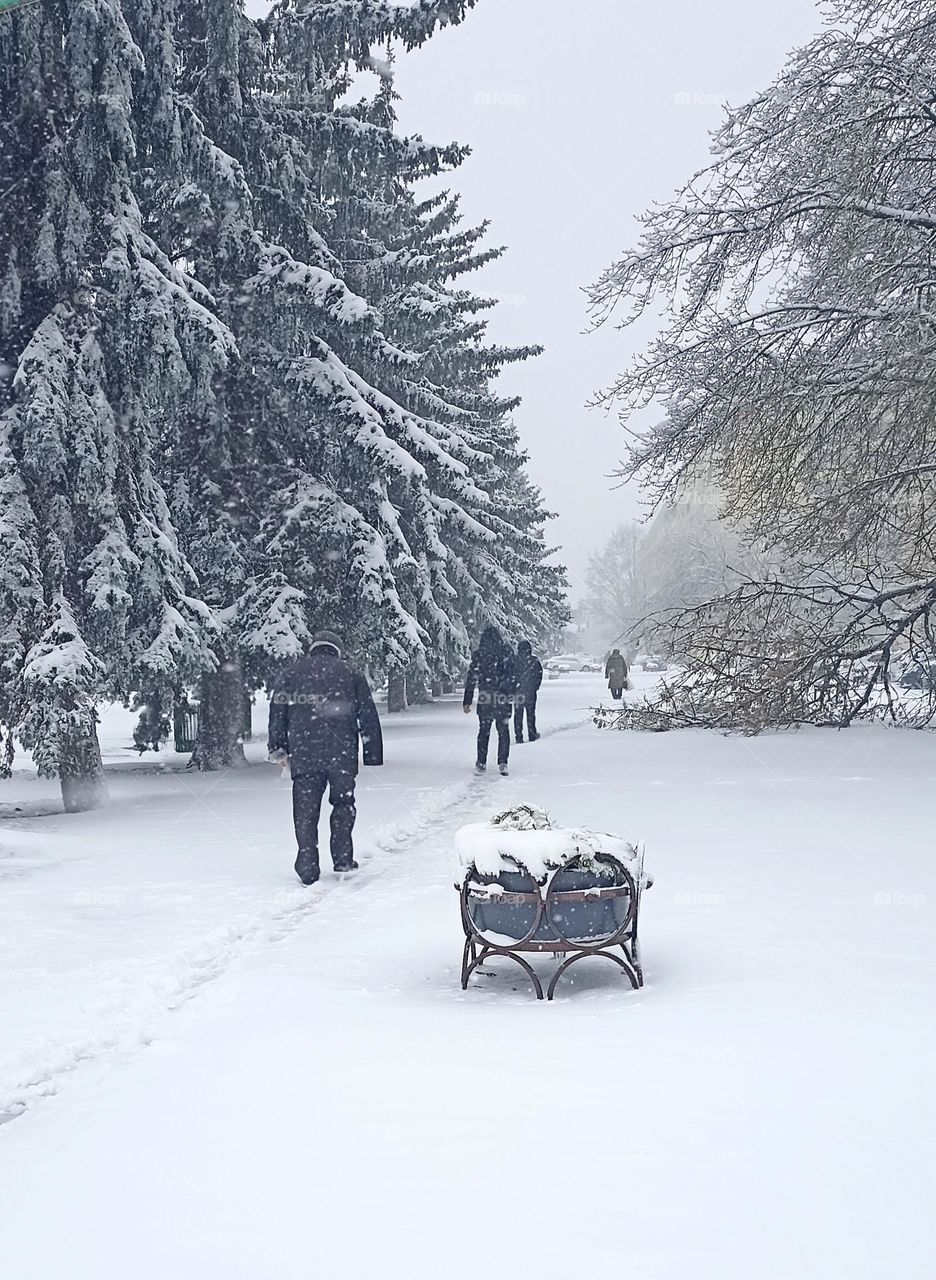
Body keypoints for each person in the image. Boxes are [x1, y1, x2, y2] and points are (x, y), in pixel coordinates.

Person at [268, 630, 383, 885]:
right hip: (342, 754)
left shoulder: (291, 673)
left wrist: (279, 749)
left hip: (305, 754)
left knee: (305, 811)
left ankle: (307, 865)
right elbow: (367, 713)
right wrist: (372, 753)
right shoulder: (351, 673)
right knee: (343, 805)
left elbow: (277, 711)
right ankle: (343, 859)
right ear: (336, 650)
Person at [463, 625, 516, 775]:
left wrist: (467, 701)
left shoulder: (480, 655)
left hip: (486, 698)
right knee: (503, 731)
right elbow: (513, 676)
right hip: (503, 699)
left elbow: (471, 679)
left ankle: (481, 762)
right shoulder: (506, 653)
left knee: (484, 731)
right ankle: (503, 762)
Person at [513, 639, 543, 743]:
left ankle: (518, 736)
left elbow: (510, 676)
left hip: (518, 692)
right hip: (530, 692)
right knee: (531, 714)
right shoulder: (534, 661)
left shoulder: (514, 660)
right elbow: (539, 675)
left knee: (518, 715)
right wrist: (535, 687)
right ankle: (532, 734)